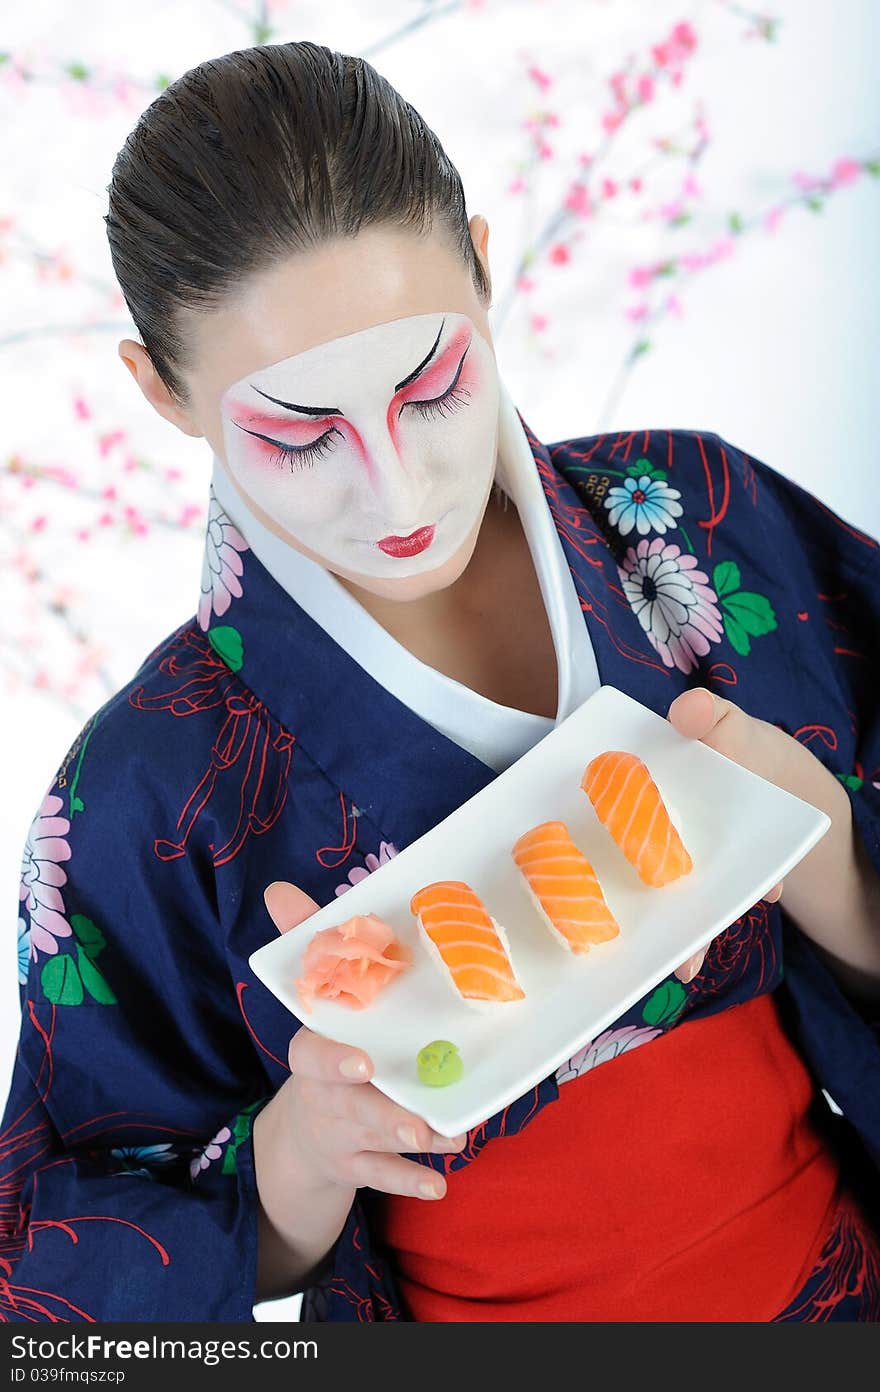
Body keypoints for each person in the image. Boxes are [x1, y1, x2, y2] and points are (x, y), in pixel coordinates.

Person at [4, 40, 880, 1324]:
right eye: (299, 434)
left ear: (481, 266)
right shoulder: (148, 787)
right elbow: (49, 1279)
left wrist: (838, 873)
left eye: (432, 386)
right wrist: (294, 1171)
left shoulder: (693, 519)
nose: (397, 489)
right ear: (162, 390)